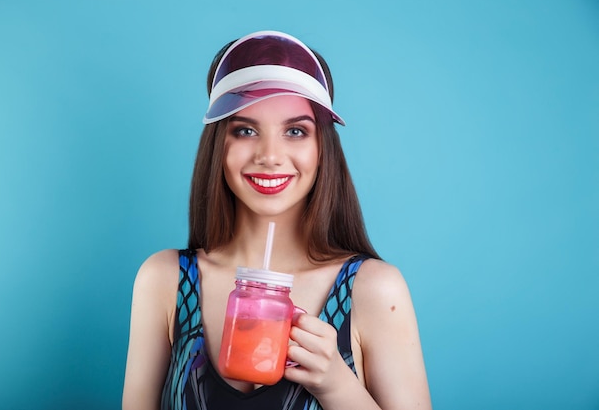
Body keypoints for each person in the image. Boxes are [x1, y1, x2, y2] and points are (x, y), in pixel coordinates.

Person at [122, 30, 431, 410]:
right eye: (246, 130)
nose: (270, 155)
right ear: (218, 146)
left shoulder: (375, 290)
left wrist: (336, 384)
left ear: (323, 150)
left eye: (295, 131)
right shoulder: (165, 280)